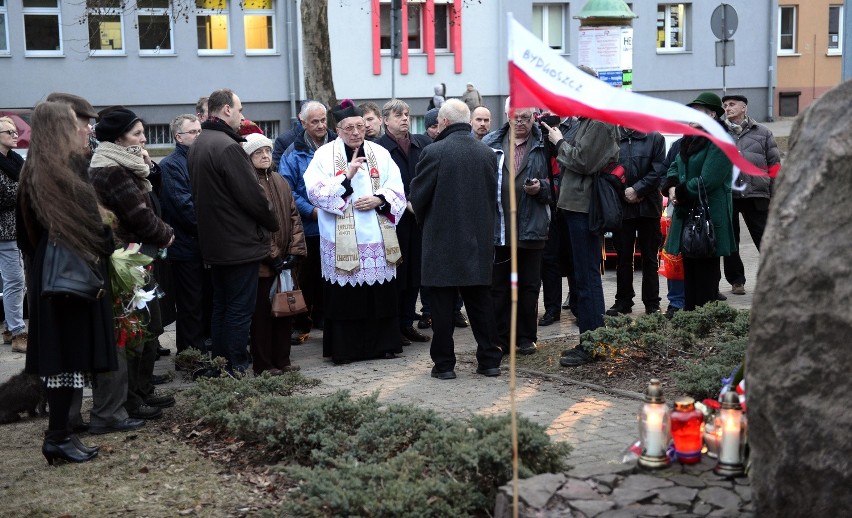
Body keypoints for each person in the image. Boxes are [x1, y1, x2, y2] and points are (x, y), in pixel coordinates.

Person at [17, 101, 118, 463]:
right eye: (77, 124)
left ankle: (59, 435)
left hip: (52, 273)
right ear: (60, 129)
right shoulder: (64, 173)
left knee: (65, 360)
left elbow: (25, 235)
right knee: (68, 358)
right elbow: (98, 232)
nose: (85, 129)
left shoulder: (34, 170)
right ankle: (57, 437)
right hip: (70, 277)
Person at [89, 107, 176, 421]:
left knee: (148, 324)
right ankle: (132, 398)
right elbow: (137, 214)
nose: (144, 139)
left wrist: (149, 167)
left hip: (137, 253)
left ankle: (142, 390)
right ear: (118, 137)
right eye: (137, 133)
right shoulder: (111, 168)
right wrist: (165, 234)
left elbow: (149, 201)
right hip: (128, 257)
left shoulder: (128, 164)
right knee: (137, 327)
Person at [303, 102, 406, 364]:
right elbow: (314, 192)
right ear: (337, 129)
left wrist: (379, 199)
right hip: (341, 238)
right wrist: (345, 177)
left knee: (378, 294)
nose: (356, 132)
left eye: (360, 126)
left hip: (375, 234)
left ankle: (382, 345)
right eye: (349, 128)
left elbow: (397, 188)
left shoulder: (380, 153)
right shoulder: (324, 155)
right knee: (346, 296)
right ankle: (346, 350)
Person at [409, 99, 503, 380]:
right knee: (481, 306)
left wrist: (423, 218)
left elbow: (418, 196)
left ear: (444, 122)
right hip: (478, 241)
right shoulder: (487, 153)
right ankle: (489, 361)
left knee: (442, 309)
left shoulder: (434, 152)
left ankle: (445, 365)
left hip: (441, 243)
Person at [188, 88, 279, 375]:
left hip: (216, 243)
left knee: (222, 307)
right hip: (238, 243)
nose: (242, 116)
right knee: (238, 310)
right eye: (239, 109)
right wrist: (271, 219)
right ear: (226, 109)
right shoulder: (228, 147)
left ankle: (220, 366)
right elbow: (252, 196)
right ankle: (235, 368)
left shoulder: (201, 142)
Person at [539, 65, 618, 368]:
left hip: (585, 208)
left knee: (587, 277)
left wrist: (559, 141)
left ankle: (594, 343)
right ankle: (590, 339)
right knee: (582, 277)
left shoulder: (599, 119)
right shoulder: (585, 119)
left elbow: (583, 161)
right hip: (573, 206)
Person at [483, 102, 552, 356]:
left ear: (534, 117)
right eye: (516, 117)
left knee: (529, 285)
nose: (521, 122)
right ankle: (502, 338)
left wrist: (541, 188)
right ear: (506, 116)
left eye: (526, 117)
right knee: (499, 287)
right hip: (499, 226)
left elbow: (557, 182)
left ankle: (526, 337)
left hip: (533, 225)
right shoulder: (490, 142)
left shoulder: (545, 143)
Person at [662, 92, 736, 310]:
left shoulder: (721, 141)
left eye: (698, 111)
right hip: (688, 214)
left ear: (712, 114)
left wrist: (680, 192)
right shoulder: (689, 139)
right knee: (690, 271)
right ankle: (691, 319)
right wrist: (672, 187)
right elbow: (674, 166)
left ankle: (705, 323)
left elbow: (708, 180)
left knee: (705, 272)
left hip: (708, 217)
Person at [243, 133, 307, 375]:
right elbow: (254, 225)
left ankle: (283, 361)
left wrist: (295, 252)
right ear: (249, 157)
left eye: (268, 151)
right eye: (258, 152)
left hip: (286, 263)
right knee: (262, 317)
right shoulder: (249, 183)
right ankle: (264, 365)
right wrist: (273, 256)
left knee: (285, 312)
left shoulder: (280, 180)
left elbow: (294, 218)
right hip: (263, 264)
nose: (265, 156)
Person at [376, 99, 433, 347]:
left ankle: (408, 322)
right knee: (397, 272)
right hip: (392, 219)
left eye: (407, 114)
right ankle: (394, 325)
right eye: (398, 115)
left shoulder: (422, 144)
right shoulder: (378, 148)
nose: (404, 119)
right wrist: (402, 202)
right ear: (385, 120)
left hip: (419, 218)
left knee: (415, 273)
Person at [279, 100, 337, 345]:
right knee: (306, 278)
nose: (321, 125)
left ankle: (327, 319)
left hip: (336, 224)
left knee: (332, 276)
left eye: (323, 120)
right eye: (315, 121)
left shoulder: (338, 146)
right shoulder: (293, 151)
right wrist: (311, 211)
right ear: (302, 122)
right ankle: (301, 323)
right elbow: (288, 190)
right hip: (309, 226)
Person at [159, 114, 210, 354]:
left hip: (204, 244)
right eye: (193, 132)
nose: (199, 135)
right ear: (179, 137)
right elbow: (184, 207)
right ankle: (190, 356)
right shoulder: (171, 165)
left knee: (203, 303)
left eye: (201, 131)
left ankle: (199, 350)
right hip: (185, 246)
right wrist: (214, 228)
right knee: (190, 306)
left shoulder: (201, 158)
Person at [721, 94, 780, 295]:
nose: (728, 108)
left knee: (764, 237)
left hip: (756, 192)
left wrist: (775, 194)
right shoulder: (719, 132)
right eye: (725, 105)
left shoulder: (762, 132)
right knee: (731, 241)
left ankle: (773, 279)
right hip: (728, 194)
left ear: (744, 107)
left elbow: (774, 165)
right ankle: (736, 281)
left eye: (732, 104)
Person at [606, 126, 666, 316]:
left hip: (649, 206)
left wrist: (638, 190)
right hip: (622, 206)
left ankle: (652, 302)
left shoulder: (655, 137)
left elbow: (658, 170)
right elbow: (607, 168)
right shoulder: (611, 137)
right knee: (623, 257)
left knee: (650, 256)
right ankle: (623, 300)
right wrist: (624, 191)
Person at [539, 115, 581, 326]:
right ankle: (552, 309)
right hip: (548, 206)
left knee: (574, 259)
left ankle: (577, 305)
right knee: (550, 261)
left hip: (570, 203)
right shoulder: (537, 133)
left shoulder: (575, 127)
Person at [0, 116, 27, 353]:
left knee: (15, 281)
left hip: (16, 228)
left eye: (15, 131)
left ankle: (10, 328)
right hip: (4, 231)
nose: (15, 135)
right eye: (9, 132)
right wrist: (28, 184)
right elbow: (6, 195)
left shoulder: (16, 160)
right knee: (15, 281)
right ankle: (18, 332)